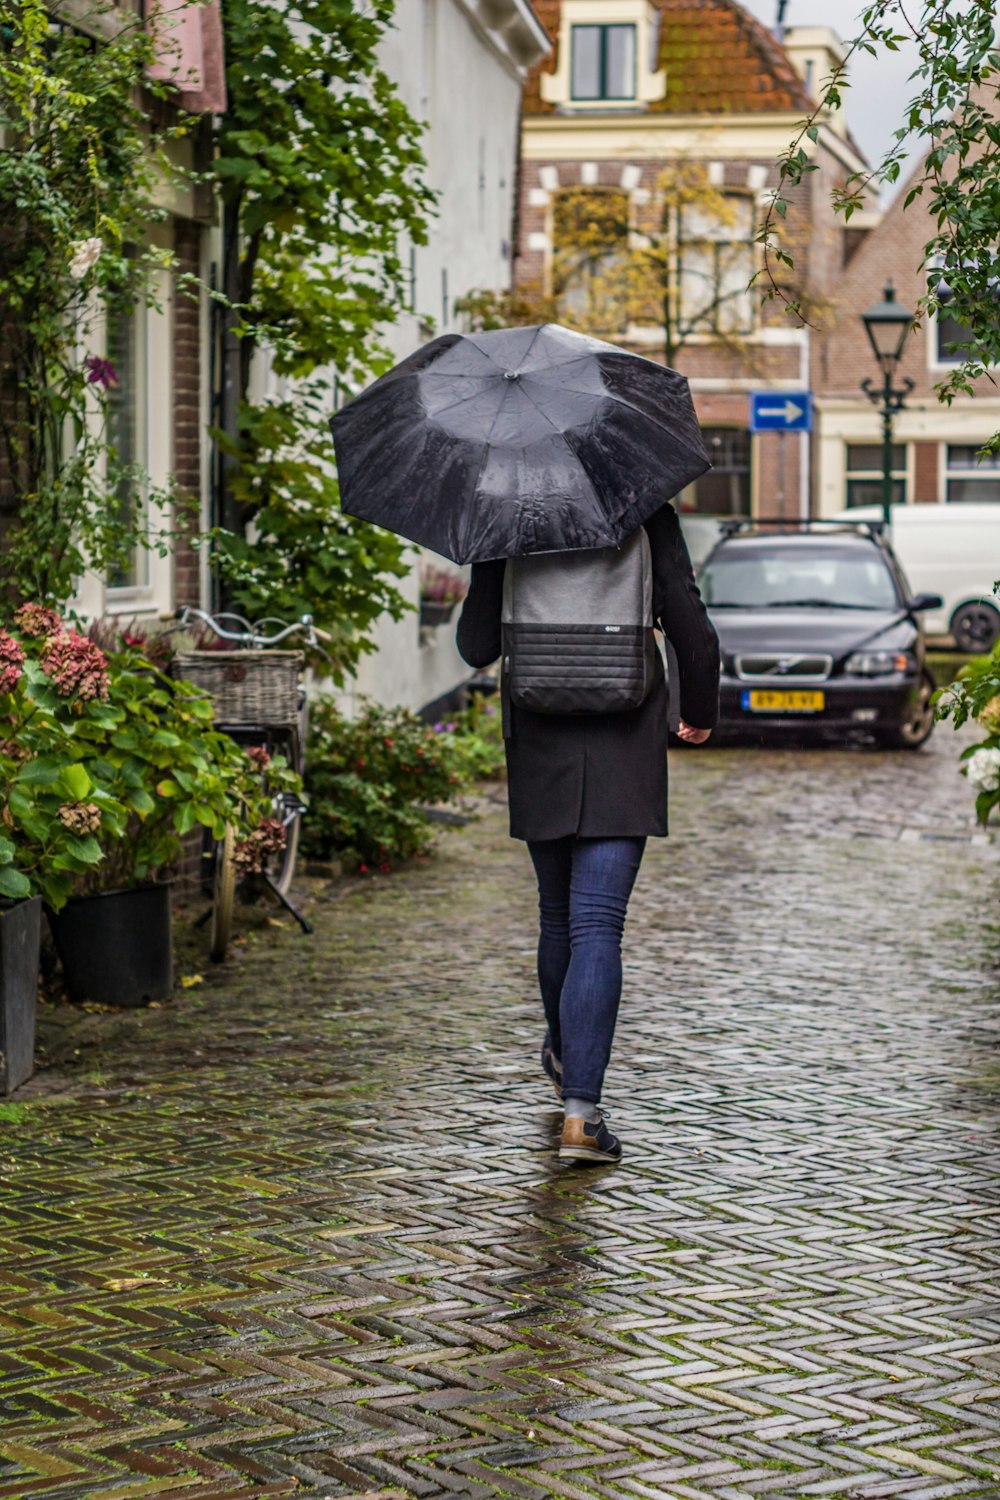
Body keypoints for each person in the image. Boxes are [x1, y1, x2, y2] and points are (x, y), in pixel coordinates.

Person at [457, 502, 720, 1164]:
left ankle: (561, 1047)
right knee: (597, 922)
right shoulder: (642, 502)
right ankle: (582, 1116)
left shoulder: (504, 508)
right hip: (624, 727)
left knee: (556, 914)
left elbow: (476, 645)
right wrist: (702, 708)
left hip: (539, 728)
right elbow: (687, 615)